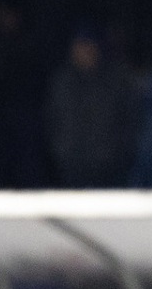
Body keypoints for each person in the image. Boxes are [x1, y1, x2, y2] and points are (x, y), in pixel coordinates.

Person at [44, 29, 140, 188]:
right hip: (69, 168)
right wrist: (60, 152)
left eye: (88, 46)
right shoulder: (61, 82)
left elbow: (130, 121)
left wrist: (118, 155)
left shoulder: (116, 81)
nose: (84, 52)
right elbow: (51, 120)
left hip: (107, 169)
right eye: (79, 46)